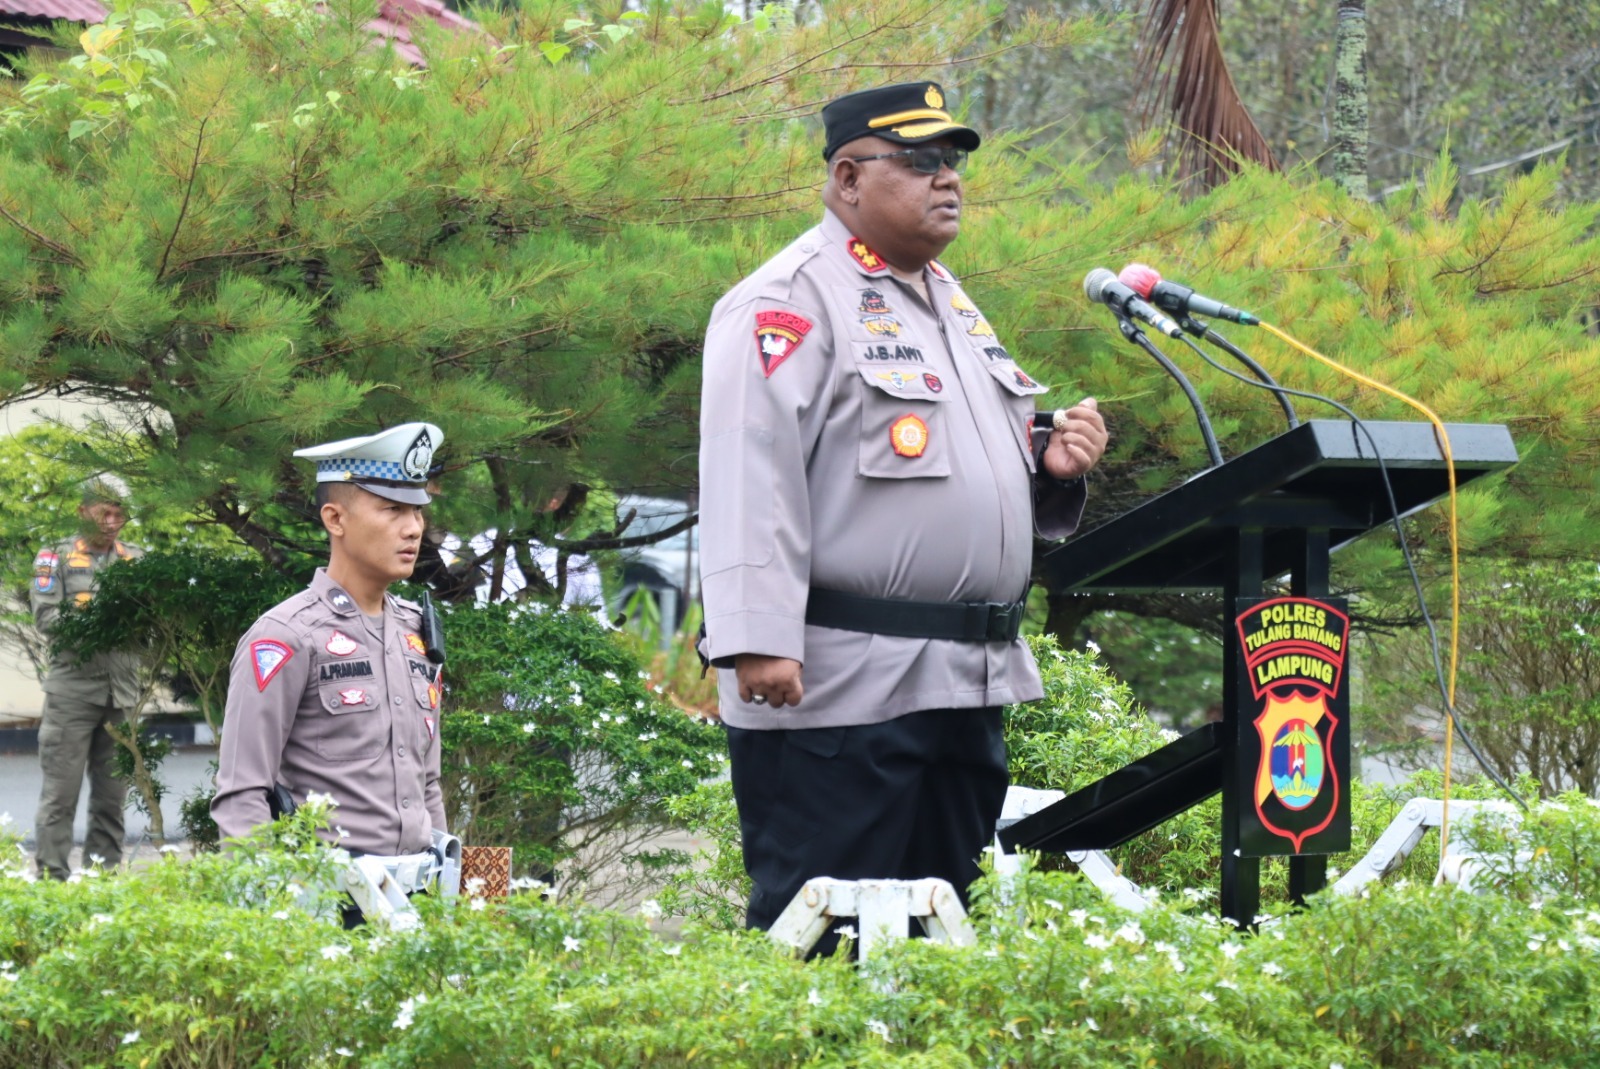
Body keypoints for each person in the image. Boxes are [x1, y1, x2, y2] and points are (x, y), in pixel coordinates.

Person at [697, 81, 1109, 950]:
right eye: (919, 161)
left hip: (966, 681)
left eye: (952, 162)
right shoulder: (788, 301)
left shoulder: (950, 304)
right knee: (822, 937)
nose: (947, 179)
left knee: (937, 942)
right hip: (844, 688)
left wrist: (1048, 466)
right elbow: (750, 467)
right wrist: (756, 636)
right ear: (847, 179)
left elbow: (952, 468)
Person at [212, 423, 449, 883]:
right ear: (335, 519)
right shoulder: (286, 636)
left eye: (418, 512)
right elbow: (243, 796)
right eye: (393, 509)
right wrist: (272, 914)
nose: (413, 528)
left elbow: (427, 784)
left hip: (421, 901)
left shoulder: (415, 633)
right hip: (327, 903)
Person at [29, 475, 144, 880]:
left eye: (119, 514)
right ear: (82, 512)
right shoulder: (53, 559)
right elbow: (47, 617)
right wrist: (102, 621)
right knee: (60, 797)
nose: (112, 521)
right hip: (72, 695)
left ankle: (105, 880)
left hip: (124, 695)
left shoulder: (138, 560)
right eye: (103, 513)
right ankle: (52, 883)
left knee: (112, 800)